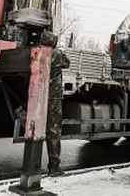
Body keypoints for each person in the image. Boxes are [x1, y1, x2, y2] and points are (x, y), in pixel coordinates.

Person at [46, 37, 70, 177]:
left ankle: (32, 164)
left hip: (39, 95)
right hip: (54, 97)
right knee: (54, 131)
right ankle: (54, 167)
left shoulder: (38, 53)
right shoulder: (56, 54)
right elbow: (67, 63)